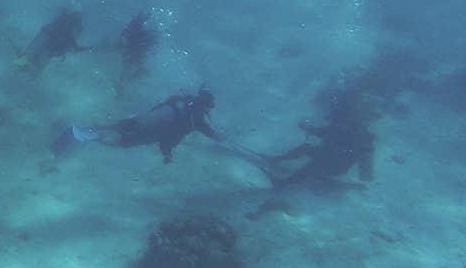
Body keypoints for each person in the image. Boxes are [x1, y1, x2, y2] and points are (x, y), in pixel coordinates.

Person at [52, 88, 220, 164]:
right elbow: (173, 137)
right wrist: (167, 154)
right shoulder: (196, 120)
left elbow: (160, 106)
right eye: (209, 107)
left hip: (143, 119)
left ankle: (87, 127)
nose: (208, 110)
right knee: (123, 142)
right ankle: (90, 137)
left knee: (118, 126)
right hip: (152, 131)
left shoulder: (181, 100)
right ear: (204, 106)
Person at [258, 91, 377, 187]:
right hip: (330, 156)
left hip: (335, 163)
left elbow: (328, 135)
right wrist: (308, 128)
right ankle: (276, 160)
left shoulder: (353, 129)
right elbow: (326, 133)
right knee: (306, 148)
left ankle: (284, 183)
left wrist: (309, 129)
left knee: (311, 166)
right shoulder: (348, 125)